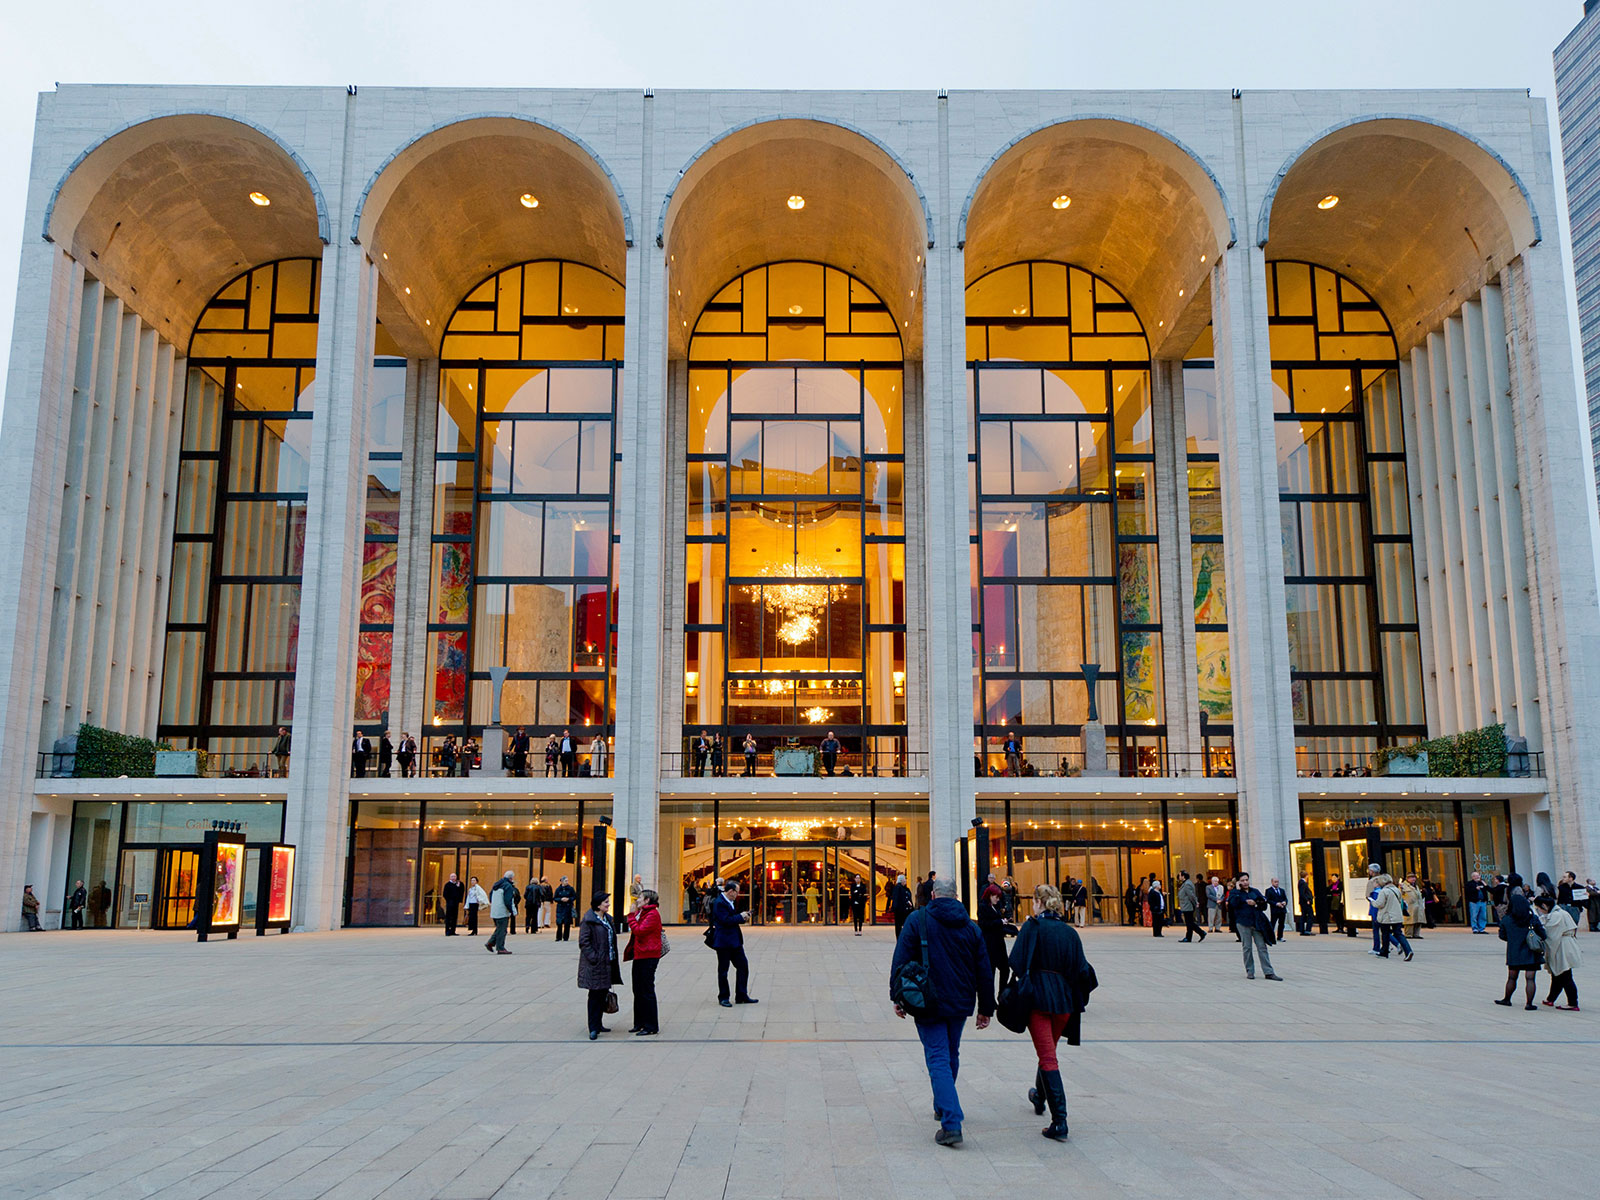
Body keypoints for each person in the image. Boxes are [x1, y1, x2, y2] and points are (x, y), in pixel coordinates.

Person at [889, 876, 995, 1148]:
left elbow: (900, 959)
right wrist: (985, 1007)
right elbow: (985, 970)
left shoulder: (917, 920)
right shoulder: (971, 927)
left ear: (933, 895)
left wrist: (896, 996)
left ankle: (951, 1121)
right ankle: (942, 1104)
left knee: (937, 1057)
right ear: (956, 896)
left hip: (927, 999)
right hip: (960, 1000)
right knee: (950, 1053)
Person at [1009, 884, 1092, 1143]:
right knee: (1048, 1052)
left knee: (1048, 1058)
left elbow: (1016, 963)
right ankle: (1039, 1096)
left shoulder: (1033, 928)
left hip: (1039, 1000)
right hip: (1064, 1001)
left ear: (1038, 902)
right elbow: (1082, 970)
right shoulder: (1069, 933)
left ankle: (1060, 1120)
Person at [1496, 873, 1547, 1010]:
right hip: (1531, 950)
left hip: (1514, 951)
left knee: (1512, 977)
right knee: (1530, 978)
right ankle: (1529, 1003)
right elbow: (1543, 934)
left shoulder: (1507, 919)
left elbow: (1502, 936)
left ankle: (1507, 999)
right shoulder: (1532, 918)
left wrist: (1512, 939)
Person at [708, 880, 758, 1007]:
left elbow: (732, 919)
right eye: (737, 892)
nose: (738, 894)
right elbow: (725, 920)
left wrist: (743, 916)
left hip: (734, 941)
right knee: (723, 970)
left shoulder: (729, 901)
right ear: (730, 891)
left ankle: (741, 995)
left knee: (743, 966)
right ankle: (723, 997)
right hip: (724, 942)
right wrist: (740, 917)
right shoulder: (720, 903)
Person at [578, 892, 621, 1039]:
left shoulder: (608, 919)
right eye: (605, 902)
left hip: (607, 962)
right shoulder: (588, 921)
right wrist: (594, 958)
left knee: (603, 993)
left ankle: (599, 1023)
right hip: (595, 964)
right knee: (594, 995)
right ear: (598, 905)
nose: (608, 904)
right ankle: (593, 1027)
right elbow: (584, 942)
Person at [1229, 871, 1283, 981]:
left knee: (1262, 947)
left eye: (1246, 880)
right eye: (1242, 880)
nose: (1245, 882)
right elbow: (1233, 904)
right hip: (1243, 922)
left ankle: (1269, 972)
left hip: (1256, 922)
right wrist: (1239, 893)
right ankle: (1250, 971)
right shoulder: (1234, 893)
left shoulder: (1255, 891)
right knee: (1247, 947)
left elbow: (1264, 905)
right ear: (1238, 882)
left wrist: (1257, 903)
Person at [625, 889, 664, 1035]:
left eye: (640, 897)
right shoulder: (642, 912)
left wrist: (630, 916)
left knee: (647, 990)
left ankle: (651, 1025)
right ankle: (639, 1022)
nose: (637, 899)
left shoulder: (653, 914)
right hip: (639, 954)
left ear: (647, 900)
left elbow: (640, 931)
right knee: (638, 990)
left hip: (648, 956)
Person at [1535, 895, 1581, 1011]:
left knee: (1564, 975)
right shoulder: (1561, 913)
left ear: (1544, 906)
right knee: (1558, 974)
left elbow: (1549, 935)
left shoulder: (1556, 916)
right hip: (1566, 944)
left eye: (1539, 908)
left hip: (1562, 946)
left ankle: (1572, 1002)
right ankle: (1551, 999)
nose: (1539, 910)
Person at [978, 875, 1010, 990]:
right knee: (991, 972)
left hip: (998, 942)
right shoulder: (983, 907)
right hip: (990, 944)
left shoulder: (995, 906)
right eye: (996, 897)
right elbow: (984, 924)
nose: (997, 899)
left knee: (1005, 969)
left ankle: (1002, 994)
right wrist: (1000, 922)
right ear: (990, 896)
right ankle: (993, 998)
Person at [1372, 874, 1414, 960]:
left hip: (1387, 916)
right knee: (1398, 933)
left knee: (1385, 934)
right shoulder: (1396, 890)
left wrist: (1372, 901)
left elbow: (1379, 904)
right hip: (1397, 916)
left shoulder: (1384, 891)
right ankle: (1408, 950)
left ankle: (1384, 953)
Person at [486, 869, 518, 954]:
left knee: (499, 928)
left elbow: (490, 896)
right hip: (502, 911)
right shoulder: (508, 886)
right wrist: (512, 911)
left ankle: (491, 942)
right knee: (502, 930)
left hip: (495, 910)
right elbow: (508, 900)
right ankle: (500, 948)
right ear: (511, 878)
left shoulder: (497, 885)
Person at [889, 874, 913, 939]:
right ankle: (899, 937)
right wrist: (895, 908)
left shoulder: (906, 889)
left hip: (906, 910)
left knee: (905, 924)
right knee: (899, 925)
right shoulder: (898, 888)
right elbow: (896, 899)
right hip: (900, 910)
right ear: (901, 880)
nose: (906, 881)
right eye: (905, 880)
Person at [553, 876, 577, 941]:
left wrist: (569, 899)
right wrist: (561, 899)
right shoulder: (558, 889)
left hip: (568, 907)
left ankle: (566, 937)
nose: (567, 882)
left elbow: (574, 896)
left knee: (567, 923)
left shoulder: (570, 889)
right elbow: (555, 898)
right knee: (559, 923)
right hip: (560, 907)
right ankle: (558, 937)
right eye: (565, 881)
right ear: (562, 881)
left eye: (567, 880)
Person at [1265, 877, 1288, 942]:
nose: (1277, 883)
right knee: (1272, 923)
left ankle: (1280, 936)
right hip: (1275, 910)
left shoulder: (1282, 890)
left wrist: (1285, 902)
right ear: (1272, 882)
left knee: (1281, 924)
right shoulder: (1268, 891)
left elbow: (1285, 898)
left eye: (1277, 882)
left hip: (1282, 909)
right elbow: (1268, 900)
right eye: (1275, 882)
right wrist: (1276, 904)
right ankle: (1270, 937)